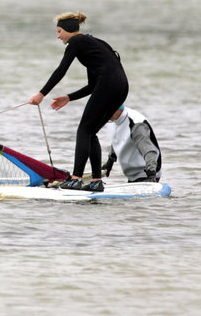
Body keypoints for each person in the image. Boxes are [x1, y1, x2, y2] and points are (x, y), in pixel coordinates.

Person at [28, 12, 128, 192]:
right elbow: (92, 85)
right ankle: (96, 181)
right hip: (120, 86)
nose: (58, 36)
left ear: (68, 30)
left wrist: (42, 94)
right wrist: (69, 97)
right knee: (90, 132)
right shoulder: (93, 44)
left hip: (109, 85)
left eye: (59, 31)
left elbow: (61, 70)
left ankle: (76, 179)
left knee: (83, 130)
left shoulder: (76, 42)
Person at [102, 105, 162, 182]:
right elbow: (117, 138)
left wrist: (151, 175)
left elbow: (149, 151)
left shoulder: (136, 124)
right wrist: (109, 162)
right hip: (132, 175)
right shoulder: (113, 119)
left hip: (147, 173)